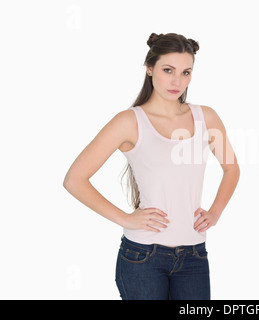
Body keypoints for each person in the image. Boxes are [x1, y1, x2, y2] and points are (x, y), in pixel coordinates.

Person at [63, 33, 240, 300]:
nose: (177, 81)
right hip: (143, 256)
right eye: (168, 70)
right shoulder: (129, 122)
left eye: (185, 72)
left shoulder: (207, 117)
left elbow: (232, 168)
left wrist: (215, 212)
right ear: (149, 68)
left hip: (194, 254)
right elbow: (74, 179)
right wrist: (125, 218)